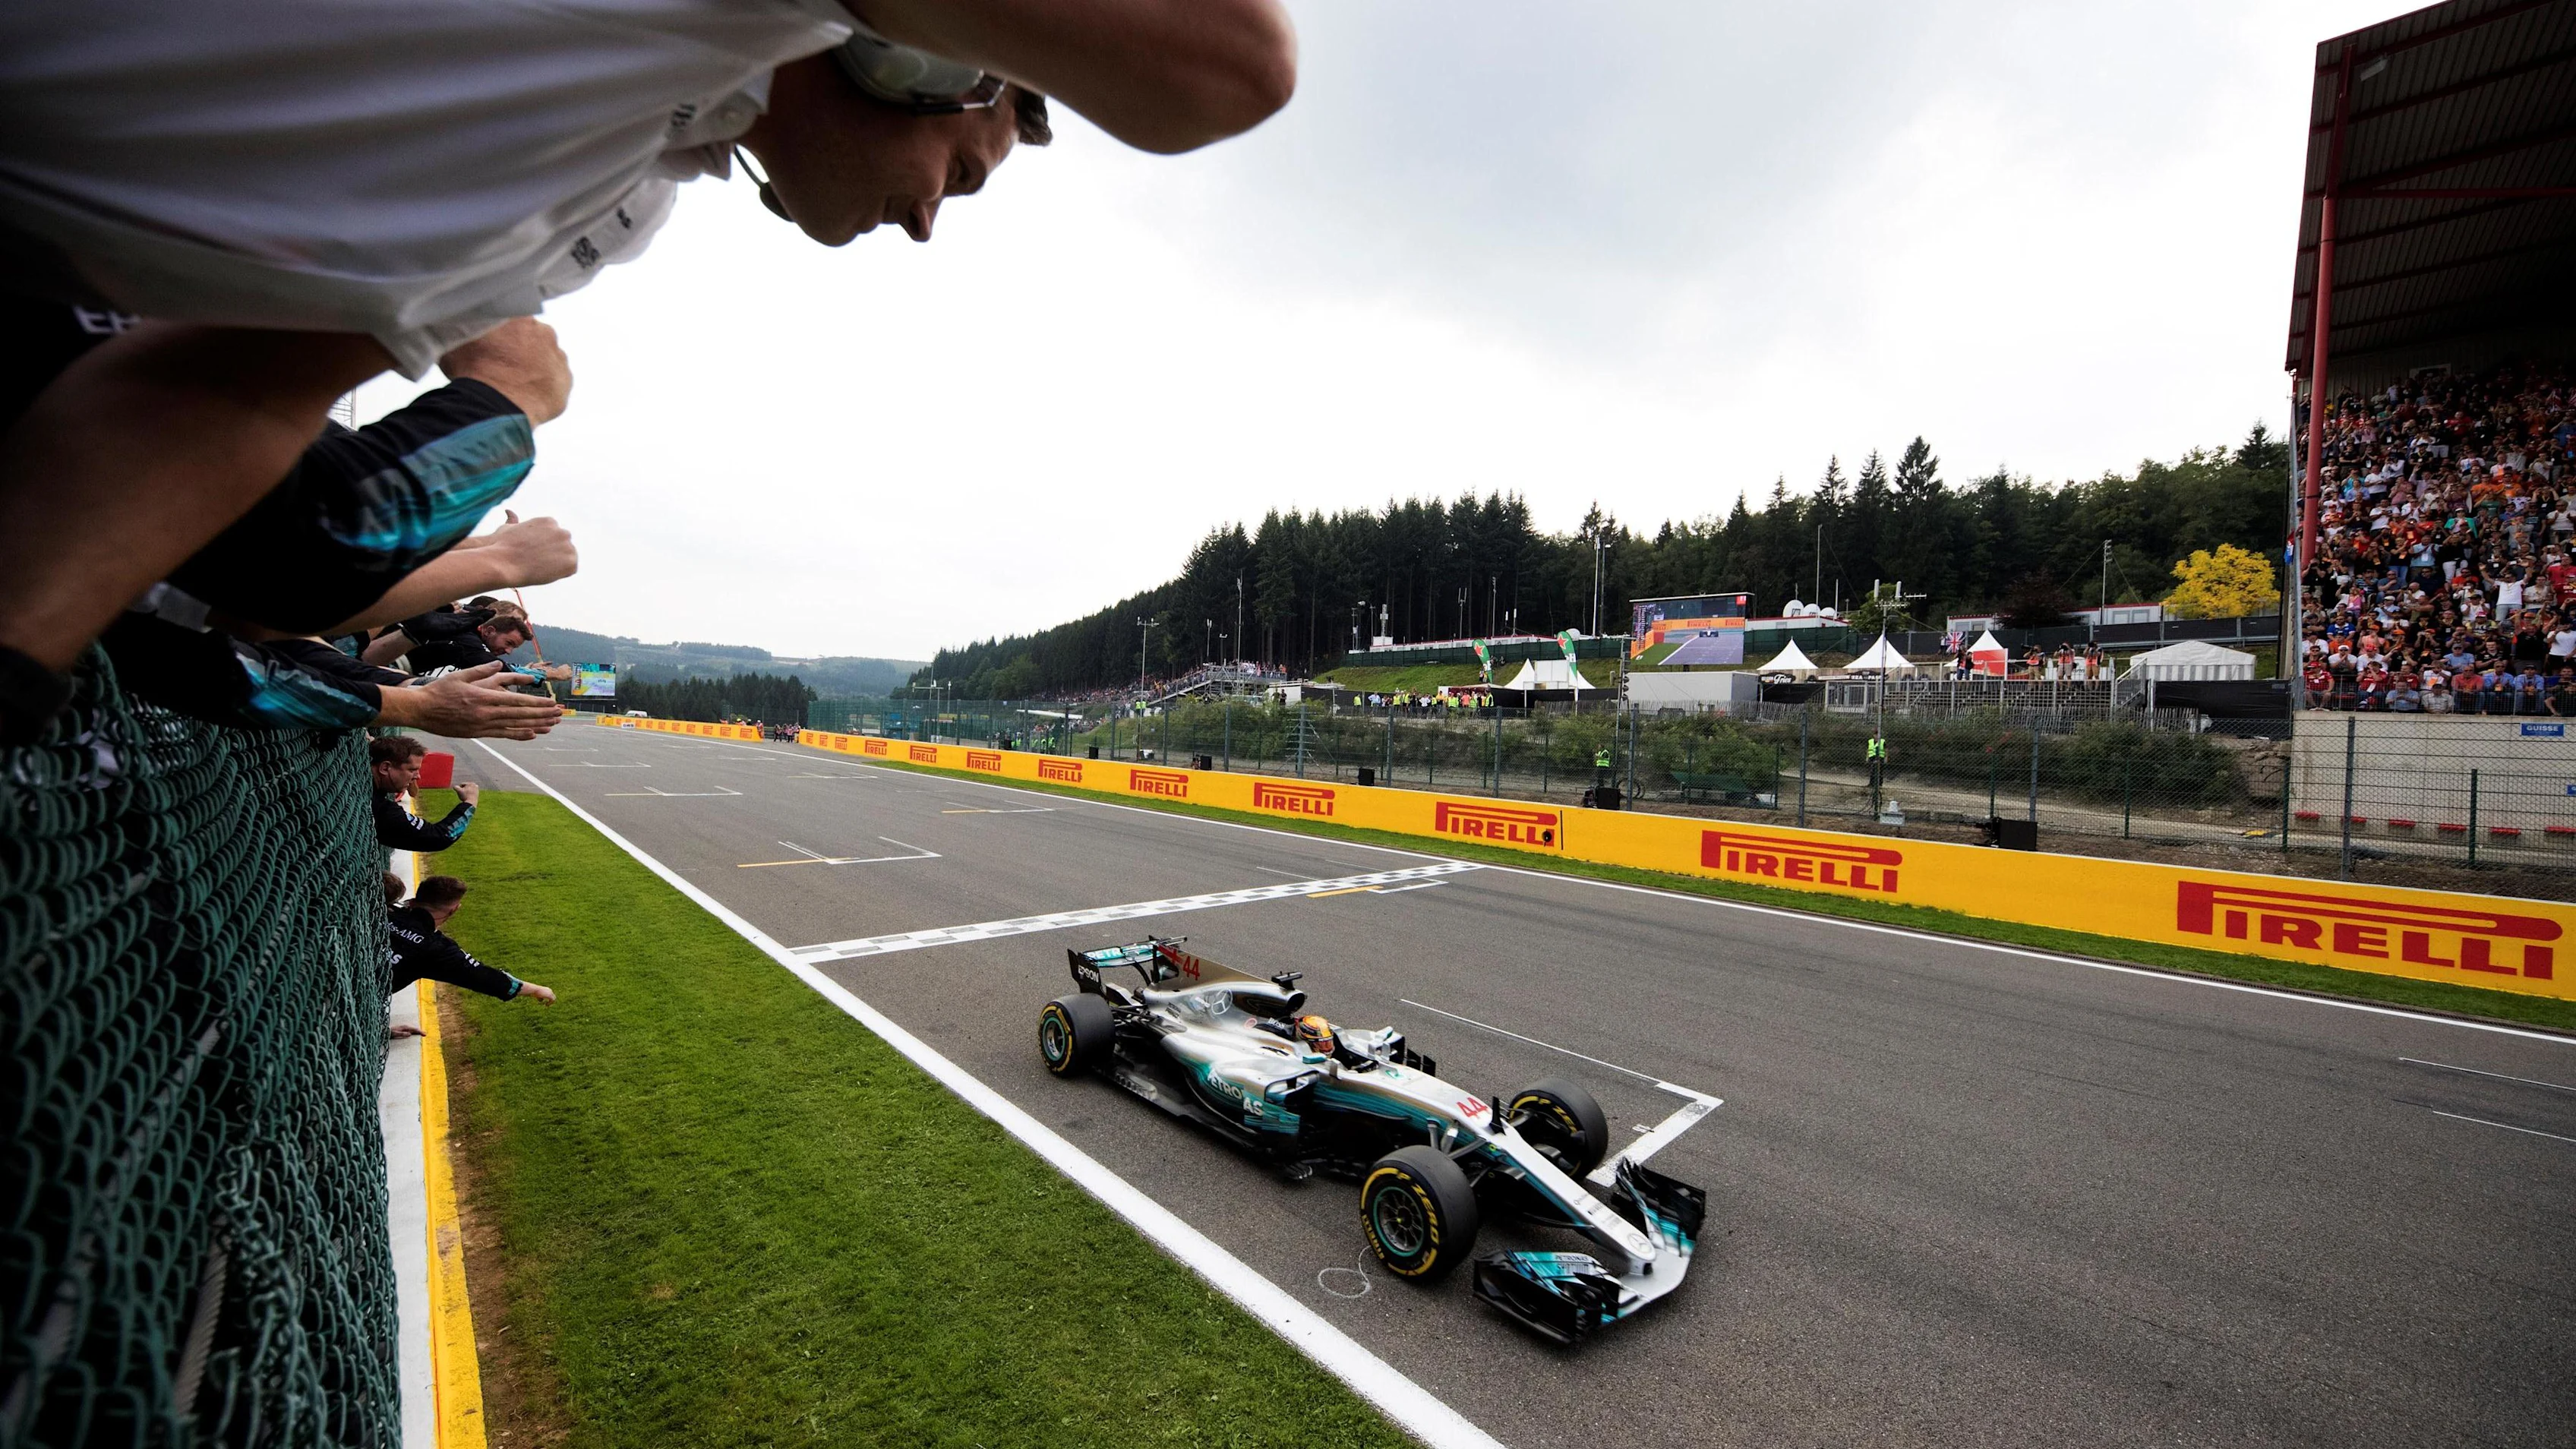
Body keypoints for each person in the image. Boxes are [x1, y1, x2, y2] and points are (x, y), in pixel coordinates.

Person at [0, 0, 1296, 737]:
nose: (925, 219)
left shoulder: (632, 192)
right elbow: (1235, 69)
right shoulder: (733, 26)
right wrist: (505, 414)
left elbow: (227, 421)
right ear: (919, 64)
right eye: (956, 170)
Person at [387, 874, 555, 1006]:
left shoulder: (386, 912)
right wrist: (538, 989)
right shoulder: (437, 948)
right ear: (454, 910)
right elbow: (487, 978)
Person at [372, 735, 479, 853]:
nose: (418, 776)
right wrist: (470, 802)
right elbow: (439, 837)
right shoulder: (382, 809)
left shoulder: (367, 785)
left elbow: (413, 792)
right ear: (385, 768)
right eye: (412, 770)